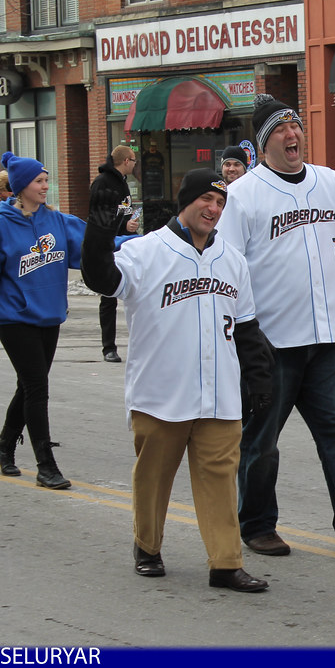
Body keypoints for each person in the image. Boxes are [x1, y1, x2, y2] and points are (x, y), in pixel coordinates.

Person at [81, 168, 273, 591]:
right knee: (153, 476)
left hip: (220, 394)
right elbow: (101, 279)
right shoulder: (146, 251)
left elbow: (246, 326)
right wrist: (98, 232)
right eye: (206, 199)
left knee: (220, 477)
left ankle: (225, 563)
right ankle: (147, 546)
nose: (213, 208)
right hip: (161, 391)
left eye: (221, 203)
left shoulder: (232, 260)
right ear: (184, 202)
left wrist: (260, 380)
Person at [218, 94, 335, 556]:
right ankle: (256, 524)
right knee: (261, 442)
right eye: (280, 129)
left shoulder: (329, 181)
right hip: (270, 342)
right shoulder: (243, 195)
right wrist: (242, 336)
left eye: (295, 125)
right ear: (263, 142)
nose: (292, 134)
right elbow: (226, 266)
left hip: (327, 338)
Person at [0, 152, 85, 488]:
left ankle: (5, 447)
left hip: (49, 316)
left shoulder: (57, 220)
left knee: (28, 385)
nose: (45, 187)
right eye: (39, 181)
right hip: (14, 318)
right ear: (21, 187)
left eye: (46, 180)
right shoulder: (3, 223)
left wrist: (143, 241)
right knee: (37, 387)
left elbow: (93, 244)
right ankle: (46, 465)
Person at [90, 146, 141, 364]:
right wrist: (119, 227)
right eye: (134, 161)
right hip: (107, 245)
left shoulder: (123, 183)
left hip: (124, 243)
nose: (135, 164)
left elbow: (125, 212)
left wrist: (130, 224)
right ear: (126, 161)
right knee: (109, 297)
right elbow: (99, 216)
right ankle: (108, 347)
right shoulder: (103, 183)